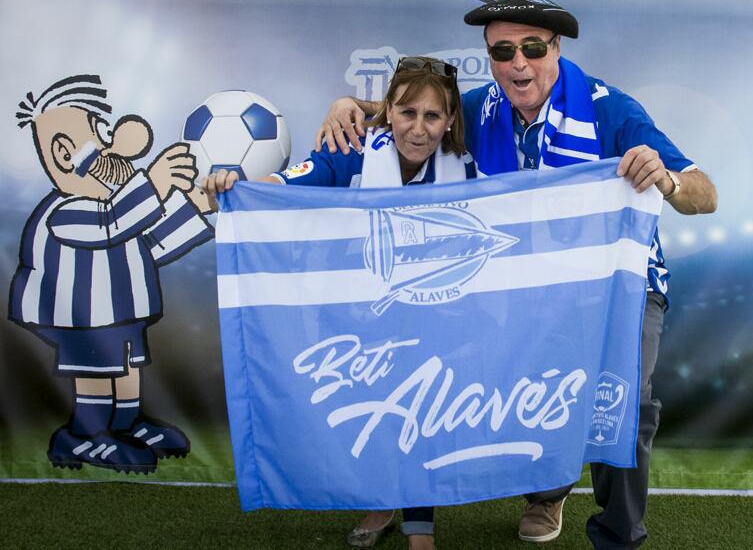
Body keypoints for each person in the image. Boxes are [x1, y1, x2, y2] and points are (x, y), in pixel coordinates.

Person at [316, 0, 718, 549]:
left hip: (618, 285)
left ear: (556, 48)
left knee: (622, 397)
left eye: (532, 47)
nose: (518, 63)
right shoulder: (481, 110)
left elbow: (705, 194)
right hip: (522, 285)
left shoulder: (608, 108)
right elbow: (419, 109)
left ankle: (620, 533)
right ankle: (547, 492)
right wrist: (350, 105)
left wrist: (668, 180)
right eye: (503, 51)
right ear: (490, 56)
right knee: (509, 377)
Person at [204, 57, 475, 550]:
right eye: (407, 113)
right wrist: (236, 192)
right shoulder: (352, 152)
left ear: (450, 119)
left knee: (424, 407)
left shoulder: (470, 168)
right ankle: (380, 501)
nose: (418, 129)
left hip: (435, 315)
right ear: (388, 111)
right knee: (372, 412)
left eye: (432, 117)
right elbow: (288, 186)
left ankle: (420, 527)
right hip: (358, 315)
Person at [9, 74, 214, 474]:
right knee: (97, 368)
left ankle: (125, 424)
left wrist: (197, 210)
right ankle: (84, 435)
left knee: (125, 364)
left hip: (119, 312)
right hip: (80, 315)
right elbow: (112, 223)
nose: (116, 147)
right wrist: (154, 183)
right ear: (65, 153)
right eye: (102, 136)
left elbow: (150, 244)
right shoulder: (67, 211)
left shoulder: (114, 208)